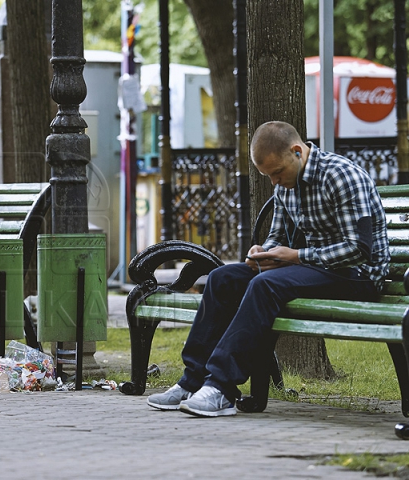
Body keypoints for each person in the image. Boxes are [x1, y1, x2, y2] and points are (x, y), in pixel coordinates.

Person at [147, 120, 389, 417]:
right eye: (268, 176)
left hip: (358, 276)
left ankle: (221, 388)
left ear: (297, 151)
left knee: (266, 285)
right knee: (223, 278)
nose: (274, 182)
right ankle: (192, 381)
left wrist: (296, 256)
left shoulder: (341, 176)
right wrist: (264, 253)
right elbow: (277, 234)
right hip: (318, 268)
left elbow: (358, 249)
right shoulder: (286, 183)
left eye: (277, 173)